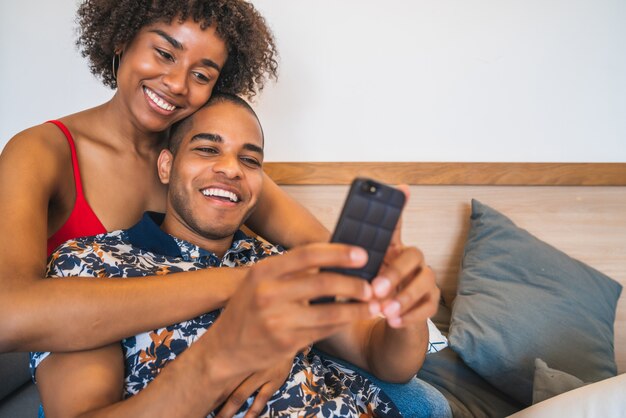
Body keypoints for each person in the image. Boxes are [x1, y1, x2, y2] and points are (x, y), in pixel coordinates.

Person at [31, 94, 447, 418]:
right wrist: (224, 356)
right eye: (208, 149)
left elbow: (382, 357)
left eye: (249, 160)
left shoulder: (274, 258)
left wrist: (404, 316)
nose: (231, 169)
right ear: (165, 166)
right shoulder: (88, 265)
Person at [0, 0, 329, 358]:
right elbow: (9, 316)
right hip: (65, 362)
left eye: (202, 75)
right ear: (121, 40)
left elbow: (328, 254)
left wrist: (291, 340)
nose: (176, 84)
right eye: (164, 53)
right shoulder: (40, 152)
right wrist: (237, 283)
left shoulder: (202, 167)